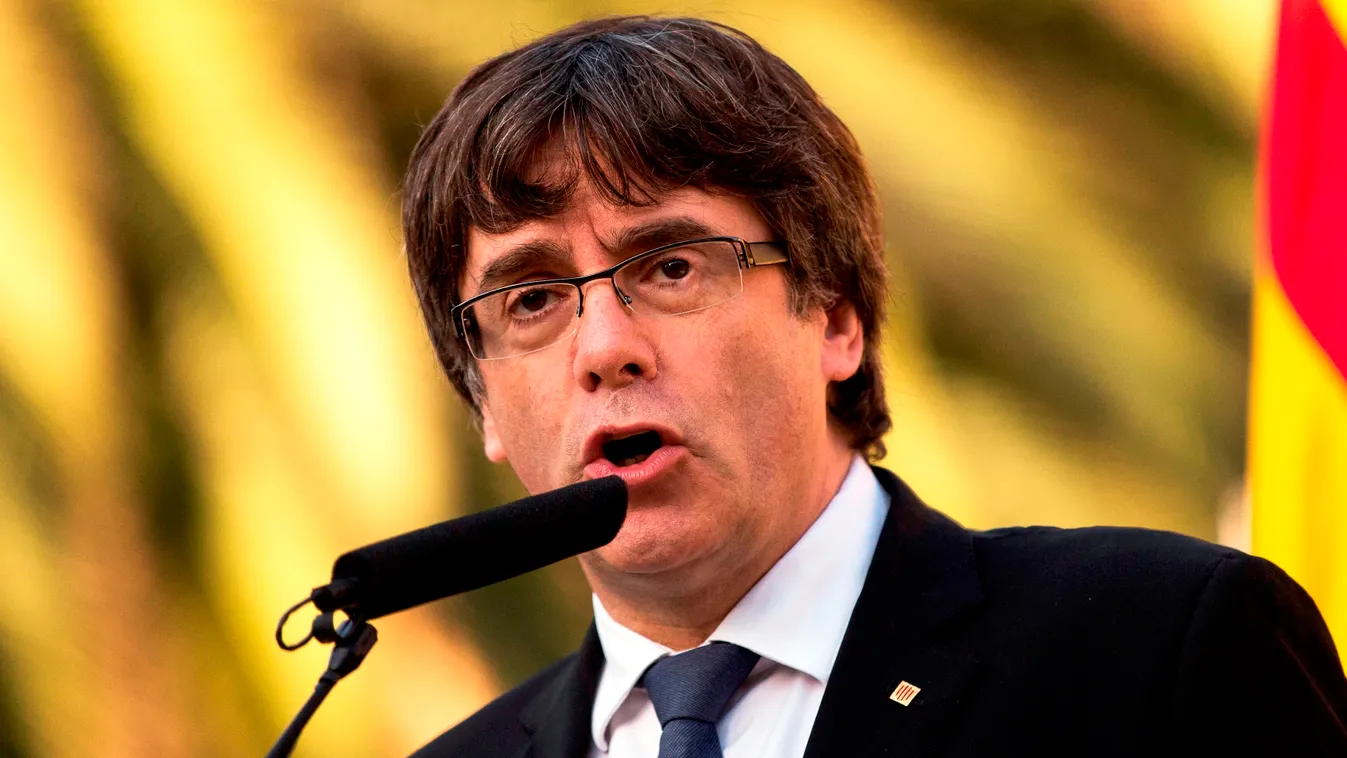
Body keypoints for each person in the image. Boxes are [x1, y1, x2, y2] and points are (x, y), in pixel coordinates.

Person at [399, 15, 1347, 758]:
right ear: (481, 400)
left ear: (837, 313)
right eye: (529, 298)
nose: (604, 347)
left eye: (671, 267)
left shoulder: (1156, 649)